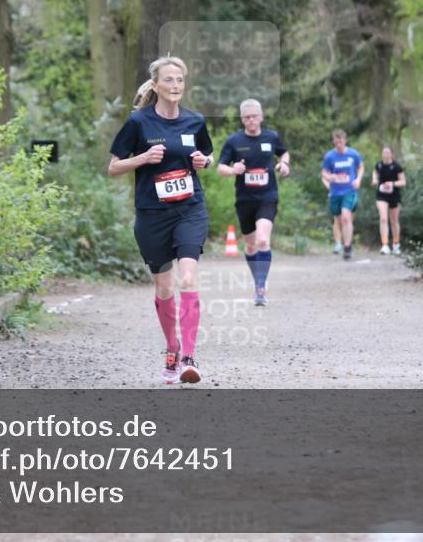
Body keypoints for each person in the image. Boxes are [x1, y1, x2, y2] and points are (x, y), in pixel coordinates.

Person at [108, 56, 214, 384]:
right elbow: (113, 167)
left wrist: (203, 161)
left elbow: (208, 156)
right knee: (164, 285)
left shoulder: (194, 121)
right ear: (155, 85)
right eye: (168, 80)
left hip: (189, 209)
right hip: (152, 214)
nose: (175, 86)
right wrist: (142, 158)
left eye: (179, 80)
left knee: (187, 277)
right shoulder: (139, 123)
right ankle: (172, 346)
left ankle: (189, 358)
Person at [217, 99, 290, 306]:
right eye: (247, 117)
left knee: (263, 240)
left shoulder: (271, 137)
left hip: (267, 197)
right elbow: (221, 167)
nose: (251, 120)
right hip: (245, 200)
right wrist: (233, 170)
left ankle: (260, 286)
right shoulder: (233, 141)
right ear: (242, 119)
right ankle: (258, 278)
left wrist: (284, 164)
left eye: (254, 116)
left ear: (261, 117)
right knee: (249, 245)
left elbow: (283, 152)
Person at [321, 129, 363, 260]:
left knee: (346, 217)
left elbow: (361, 166)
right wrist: (330, 177)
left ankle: (347, 247)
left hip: (349, 190)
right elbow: (324, 172)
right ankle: (344, 242)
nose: (339, 144)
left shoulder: (353, 154)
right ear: (334, 141)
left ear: (345, 141)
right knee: (339, 221)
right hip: (335, 192)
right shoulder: (330, 156)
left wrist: (358, 179)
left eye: (341, 141)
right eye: (336, 141)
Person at [372, 145, 406, 255]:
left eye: (387, 152)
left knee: (394, 220)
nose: (385, 155)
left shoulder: (396, 166)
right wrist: (375, 180)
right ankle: (385, 245)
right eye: (384, 152)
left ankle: (396, 244)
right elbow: (375, 173)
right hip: (381, 195)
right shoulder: (379, 165)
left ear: (391, 154)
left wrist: (392, 183)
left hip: (394, 195)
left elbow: (403, 182)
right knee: (383, 218)